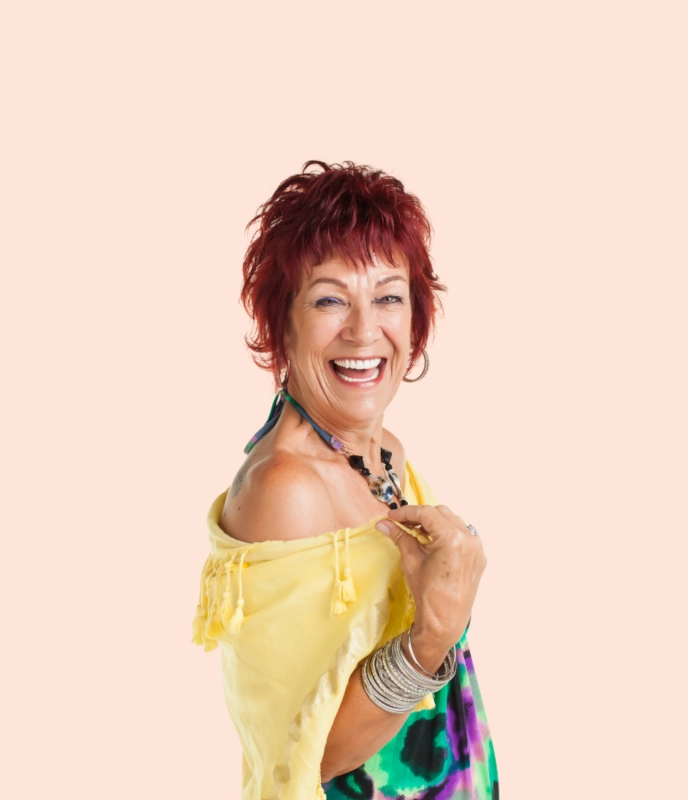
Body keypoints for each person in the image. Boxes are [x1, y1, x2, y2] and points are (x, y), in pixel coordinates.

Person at [192, 161, 499, 800]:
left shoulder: (386, 452)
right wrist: (430, 640)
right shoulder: (286, 489)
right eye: (330, 299)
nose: (364, 331)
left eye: (388, 297)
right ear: (282, 322)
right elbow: (311, 755)